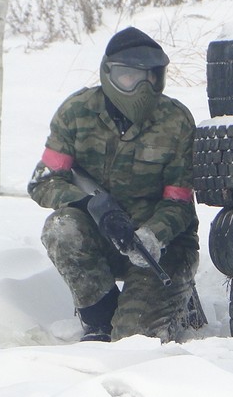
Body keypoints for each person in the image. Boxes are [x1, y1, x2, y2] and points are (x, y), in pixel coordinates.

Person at [28, 27, 199, 343]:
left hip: (160, 249)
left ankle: (176, 300)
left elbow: (180, 203)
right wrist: (91, 206)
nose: (142, 88)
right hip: (104, 238)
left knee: (134, 342)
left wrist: (153, 235)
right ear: (109, 75)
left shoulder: (175, 121)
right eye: (129, 77)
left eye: (152, 77)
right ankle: (98, 318)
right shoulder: (77, 113)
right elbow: (44, 181)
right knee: (61, 228)